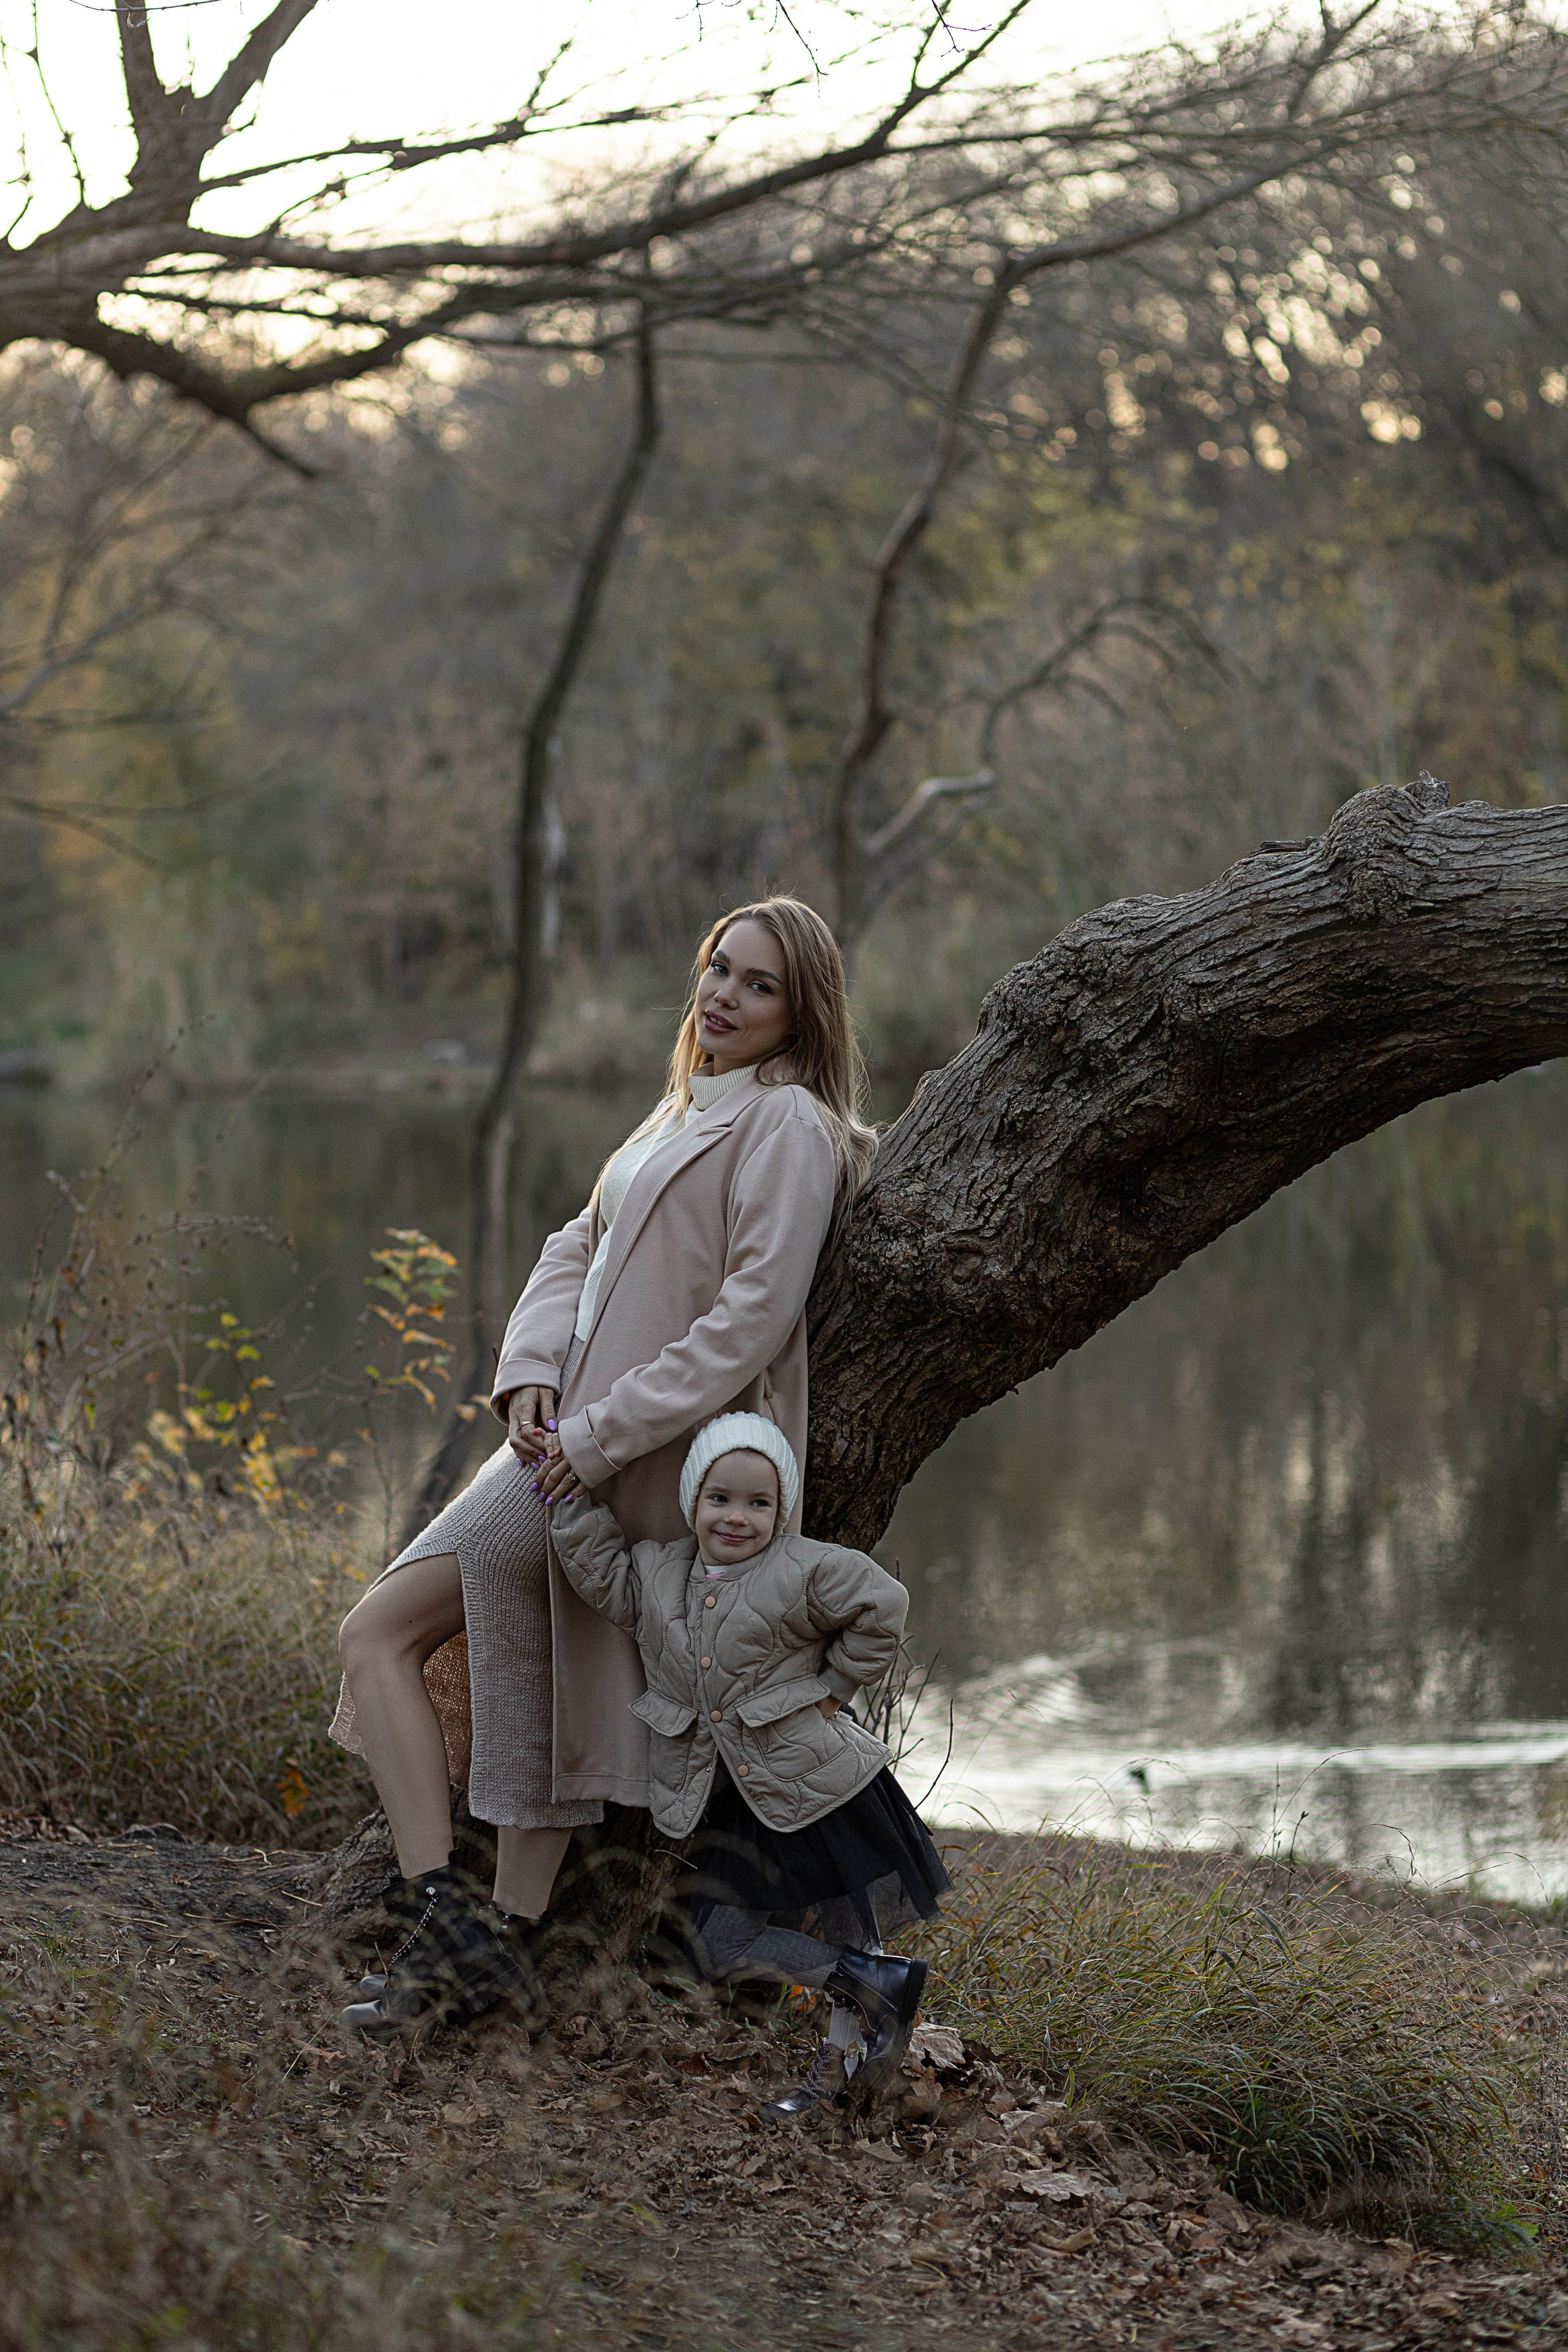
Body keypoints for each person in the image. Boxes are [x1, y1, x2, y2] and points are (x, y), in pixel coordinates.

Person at [331, 898, 876, 2040]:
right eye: (718, 967)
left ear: (802, 1010)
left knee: (378, 1633)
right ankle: (488, 1945)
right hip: (562, 1439)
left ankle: (449, 1923)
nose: (723, 994)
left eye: (758, 984)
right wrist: (530, 1365)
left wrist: (591, 1437)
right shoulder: (688, 1101)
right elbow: (575, 1242)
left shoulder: (788, 1127)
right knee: (531, 1670)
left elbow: (750, 1320)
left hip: (636, 1457)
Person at [554, 1414, 952, 2120]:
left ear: (781, 1510)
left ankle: (835, 2074)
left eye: (758, 1504)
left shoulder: (804, 1568)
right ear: (693, 1501)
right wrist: (562, 1496)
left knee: (848, 1929)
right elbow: (601, 1578)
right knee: (720, 1941)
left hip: (824, 1783)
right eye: (720, 1499)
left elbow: (882, 1605)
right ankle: (872, 1987)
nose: (737, 1517)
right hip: (741, 1797)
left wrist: (835, 1688)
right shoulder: (658, 1571)